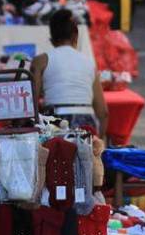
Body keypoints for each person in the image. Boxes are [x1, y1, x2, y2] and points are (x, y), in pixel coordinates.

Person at [30, 9, 109, 138]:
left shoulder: (40, 61)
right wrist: (99, 140)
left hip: (55, 123)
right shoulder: (89, 64)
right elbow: (103, 113)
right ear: (75, 36)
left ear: (52, 39)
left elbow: (31, 104)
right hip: (87, 125)